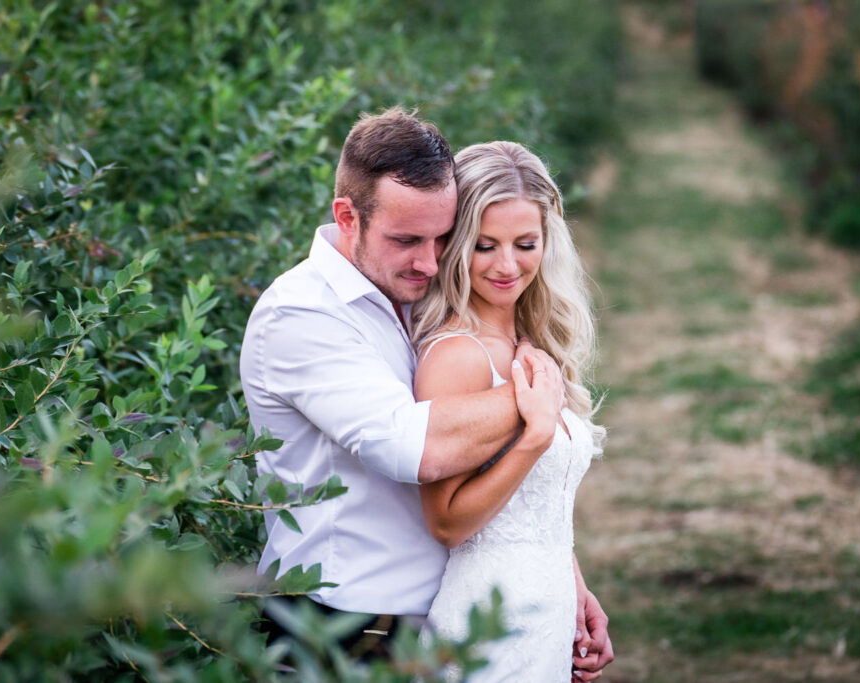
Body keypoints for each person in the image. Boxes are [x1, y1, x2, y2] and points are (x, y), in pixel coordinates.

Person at [239, 108, 610, 676]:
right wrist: (537, 398)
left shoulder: (415, 292)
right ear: (348, 216)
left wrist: (564, 580)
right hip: (342, 630)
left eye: (443, 238)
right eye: (408, 239)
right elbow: (411, 447)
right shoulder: (301, 313)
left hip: (439, 624)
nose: (431, 261)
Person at [411, 140, 612, 681]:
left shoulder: (528, 338)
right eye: (483, 246)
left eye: (526, 243)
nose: (507, 265)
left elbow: (535, 509)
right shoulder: (457, 355)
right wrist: (533, 437)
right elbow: (447, 522)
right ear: (454, 246)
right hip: (486, 624)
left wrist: (577, 590)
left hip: (544, 612)